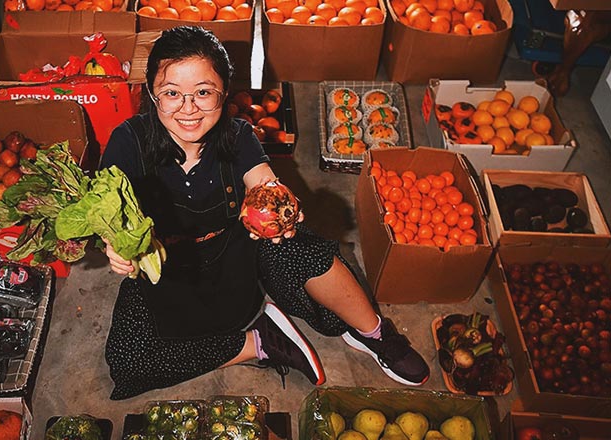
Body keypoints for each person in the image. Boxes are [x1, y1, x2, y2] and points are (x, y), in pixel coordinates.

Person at [99, 26, 429, 400]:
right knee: (128, 364)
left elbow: (262, 180)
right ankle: (258, 343)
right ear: (151, 94)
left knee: (301, 248)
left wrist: (275, 199)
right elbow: (107, 208)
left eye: (204, 93)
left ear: (224, 92)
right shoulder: (128, 140)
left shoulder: (237, 135)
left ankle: (373, 333)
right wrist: (115, 243)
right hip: (164, 271)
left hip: (236, 260)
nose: (188, 108)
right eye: (172, 93)